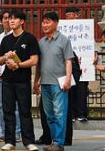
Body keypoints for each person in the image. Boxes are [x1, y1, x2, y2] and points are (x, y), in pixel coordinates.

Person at [0, 10, 40, 151]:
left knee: (25, 111)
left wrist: (18, 65)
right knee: (8, 111)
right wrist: (6, 57)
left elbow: (34, 60)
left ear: (22, 21)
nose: (11, 21)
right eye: (10, 19)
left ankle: (29, 142)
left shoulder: (29, 38)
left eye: (15, 19)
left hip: (23, 81)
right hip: (7, 81)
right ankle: (10, 141)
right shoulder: (6, 40)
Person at [33, 12, 73, 151]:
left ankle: (58, 143)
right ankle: (54, 141)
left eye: (48, 22)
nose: (45, 25)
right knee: (49, 115)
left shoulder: (64, 40)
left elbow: (68, 61)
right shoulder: (41, 42)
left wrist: (68, 78)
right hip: (45, 83)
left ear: (56, 23)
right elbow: (39, 64)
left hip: (59, 83)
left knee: (59, 113)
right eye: (43, 22)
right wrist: (36, 81)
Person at [0, 11, 21, 143]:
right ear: (1, 21)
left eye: (10, 18)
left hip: (14, 75)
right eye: (5, 18)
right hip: (0, 77)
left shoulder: (18, 37)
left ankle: (17, 133)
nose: (8, 21)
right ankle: (4, 132)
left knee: (15, 106)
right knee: (1, 106)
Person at [64, 7, 89, 123]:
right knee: (70, 89)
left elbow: (90, 44)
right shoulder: (63, 30)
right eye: (69, 15)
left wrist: (94, 54)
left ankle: (82, 113)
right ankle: (72, 114)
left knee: (82, 89)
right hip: (69, 63)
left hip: (83, 63)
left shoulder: (85, 29)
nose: (71, 17)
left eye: (74, 14)